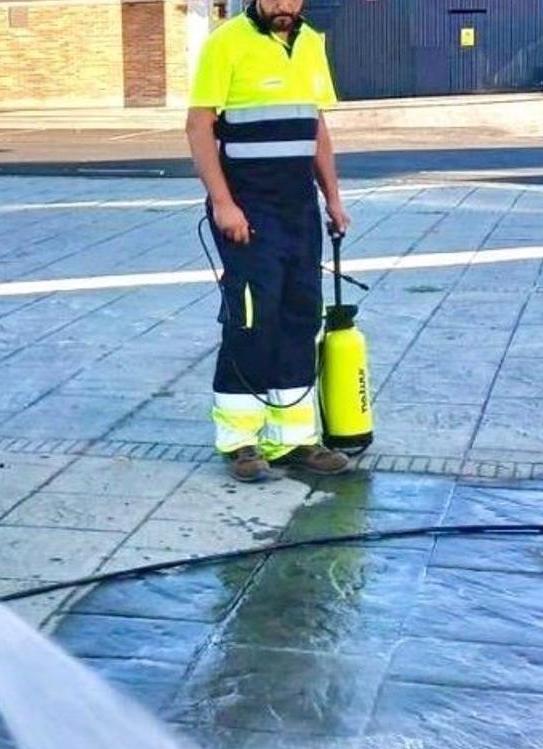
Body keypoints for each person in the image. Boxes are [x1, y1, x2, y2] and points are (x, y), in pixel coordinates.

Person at [185, 0, 357, 483]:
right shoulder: (226, 42)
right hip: (247, 207)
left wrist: (333, 199)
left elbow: (316, 126)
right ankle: (239, 440)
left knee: (300, 315)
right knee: (252, 316)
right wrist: (223, 203)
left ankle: (293, 439)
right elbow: (198, 126)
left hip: (298, 208)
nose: (284, 5)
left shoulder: (311, 43)